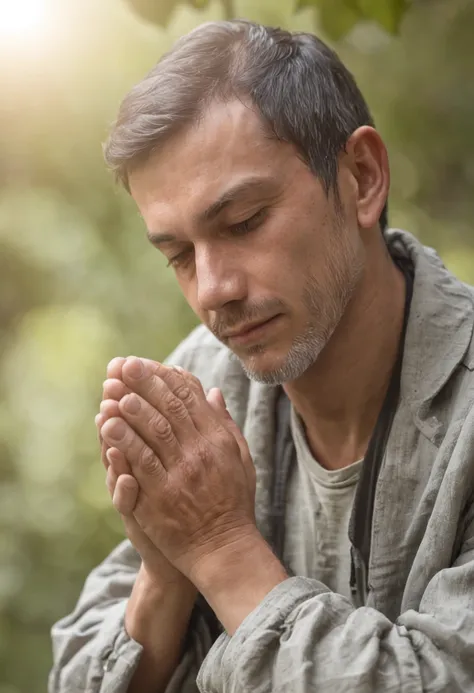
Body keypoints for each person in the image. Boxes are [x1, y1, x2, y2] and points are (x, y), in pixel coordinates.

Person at [49, 19, 474, 693]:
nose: (212, 290)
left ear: (362, 178)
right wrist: (166, 573)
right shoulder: (200, 387)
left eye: (244, 222)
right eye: (178, 255)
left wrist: (220, 550)